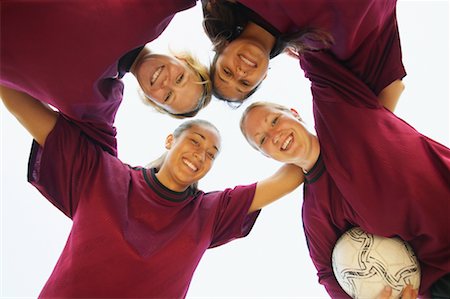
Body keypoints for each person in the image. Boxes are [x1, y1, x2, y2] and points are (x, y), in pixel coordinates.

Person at [0, 84, 303, 298]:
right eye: (196, 141)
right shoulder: (103, 174)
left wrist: (288, 130)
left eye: (212, 153)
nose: (201, 154)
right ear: (170, 140)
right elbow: (20, 103)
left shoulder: (211, 212)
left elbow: (290, 176)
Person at [239, 51, 450, 297]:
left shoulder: (341, 117)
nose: (274, 134)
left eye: (274, 120)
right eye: (262, 139)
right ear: (267, 155)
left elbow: (325, 52)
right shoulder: (316, 212)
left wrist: (299, 45)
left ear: (295, 113)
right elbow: (329, 277)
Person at [1, 0, 212, 156]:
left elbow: (104, 172)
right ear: (182, 59)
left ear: (153, 101)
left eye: (167, 97)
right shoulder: (152, 10)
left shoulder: (96, 105)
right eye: (180, 78)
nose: (166, 84)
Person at [202, 0, 405, 112]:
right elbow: (388, 85)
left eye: (226, 71)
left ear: (222, 48)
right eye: (245, 82)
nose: (240, 71)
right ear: (263, 76)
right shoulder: (321, 43)